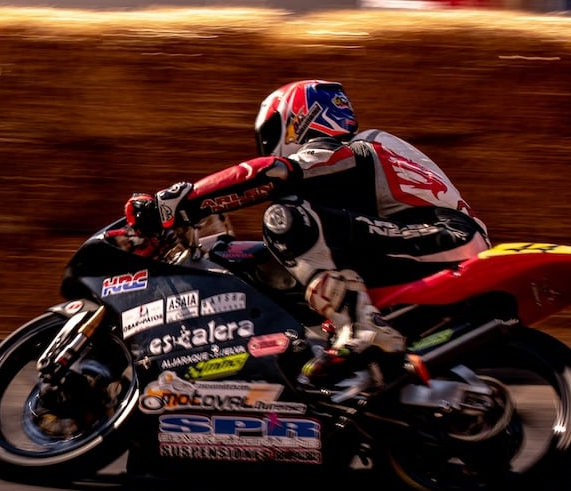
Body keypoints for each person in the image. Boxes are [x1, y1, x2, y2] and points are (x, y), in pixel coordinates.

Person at [124, 79, 490, 387]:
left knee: (285, 219)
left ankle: (363, 329)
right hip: (418, 240)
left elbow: (272, 172)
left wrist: (186, 202)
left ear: (300, 119)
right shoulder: (352, 173)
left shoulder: (354, 149)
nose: (268, 146)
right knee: (294, 246)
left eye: (270, 135)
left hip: (442, 235)